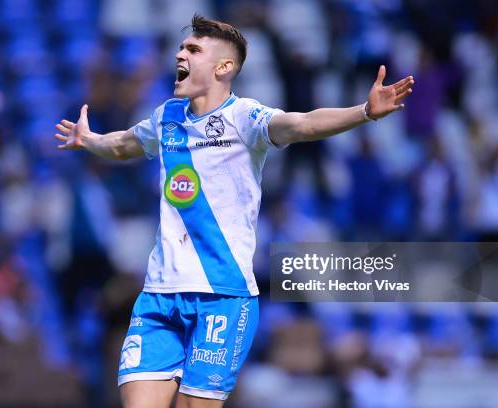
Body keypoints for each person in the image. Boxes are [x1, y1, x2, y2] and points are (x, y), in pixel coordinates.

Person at [54, 14, 414, 408]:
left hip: (221, 296)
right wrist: (89, 140)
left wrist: (363, 110)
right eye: (181, 47)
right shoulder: (166, 118)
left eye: (193, 49)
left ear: (224, 67)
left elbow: (304, 123)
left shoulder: (245, 117)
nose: (180, 54)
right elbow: (123, 145)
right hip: (159, 296)